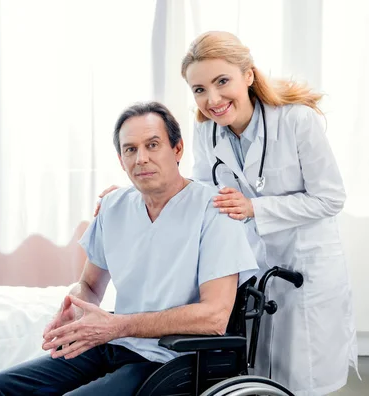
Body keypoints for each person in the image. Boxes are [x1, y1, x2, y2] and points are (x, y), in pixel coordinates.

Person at [94, 31, 358, 395]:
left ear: (247, 75)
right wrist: (129, 191)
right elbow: (197, 192)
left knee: (305, 377)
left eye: (222, 82)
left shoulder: (298, 121)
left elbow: (330, 199)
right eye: (199, 89)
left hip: (305, 269)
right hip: (250, 264)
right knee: (258, 370)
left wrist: (255, 207)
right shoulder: (207, 133)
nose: (212, 99)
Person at [0, 101, 258, 395]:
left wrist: (117, 326)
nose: (141, 159)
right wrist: (77, 309)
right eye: (130, 149)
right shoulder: (113, 206)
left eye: (152, 145)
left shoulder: (214, 210)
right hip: (114, 344)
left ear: (177, 150)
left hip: (171, 357)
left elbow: (214, 317)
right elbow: (89, 284)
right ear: (121, 160)